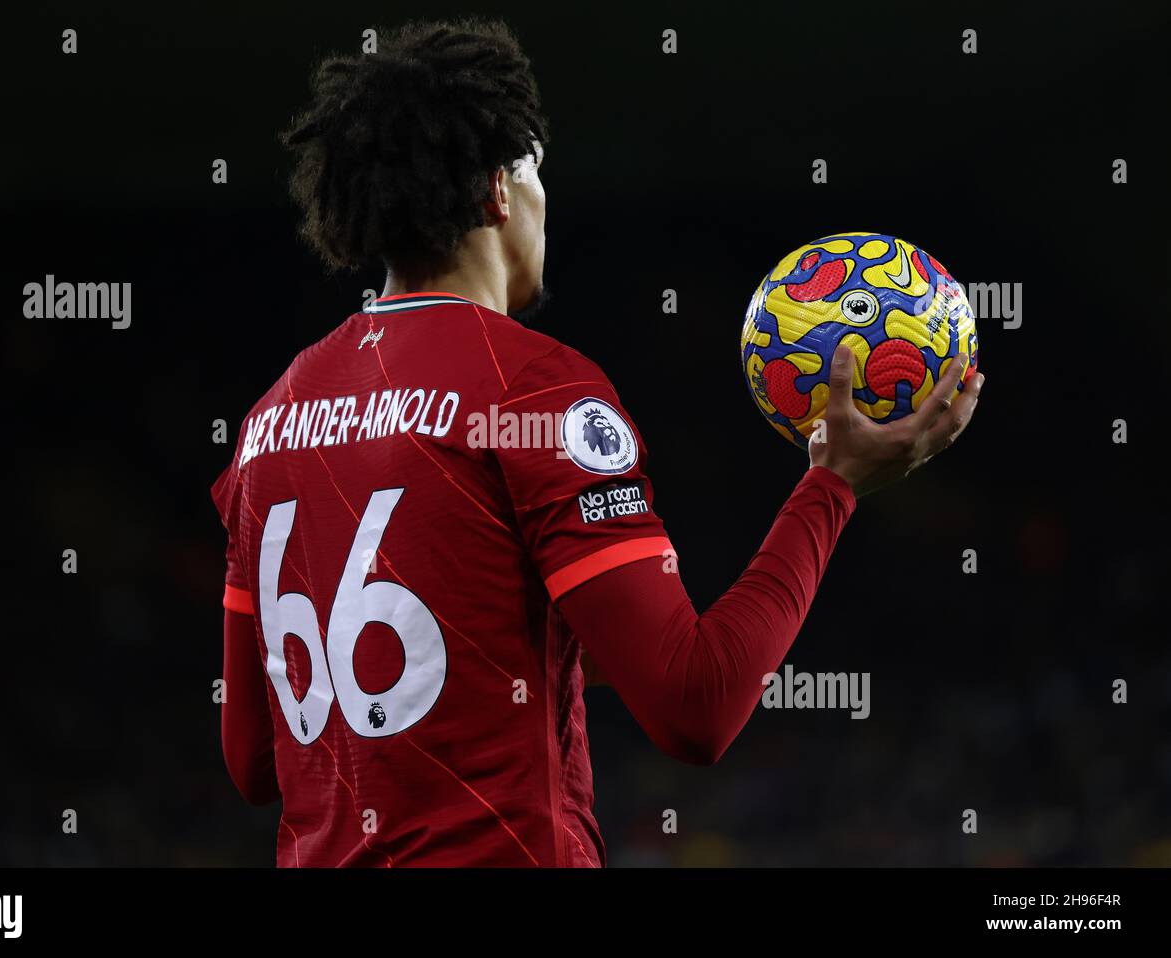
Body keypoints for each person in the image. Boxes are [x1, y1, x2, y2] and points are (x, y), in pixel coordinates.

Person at [211, 19, 984, 867]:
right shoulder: (531, 388)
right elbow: (696, 706)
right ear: (500, 191)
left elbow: (252, 757)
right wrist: (833, 484)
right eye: (540, 171)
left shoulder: (268, 422)